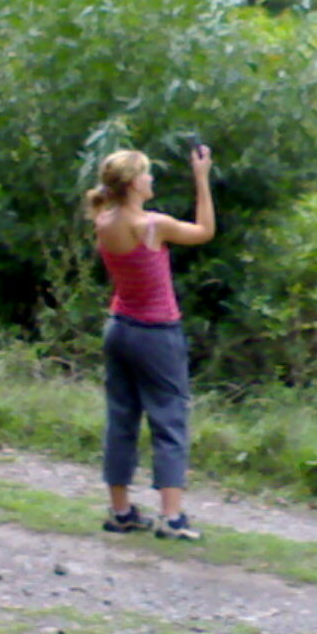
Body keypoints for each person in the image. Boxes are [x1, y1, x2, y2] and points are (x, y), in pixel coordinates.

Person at [84, 146, 215, 540]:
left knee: (121, 419)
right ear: (132, 184)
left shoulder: (104, 220)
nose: (151, 179)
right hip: (157, 333)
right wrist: (201, 177)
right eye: (146, 174)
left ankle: (120, 512)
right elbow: (205, 231)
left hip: (119, 328)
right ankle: (171, 518)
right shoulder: (152, 225)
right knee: (169, 420)